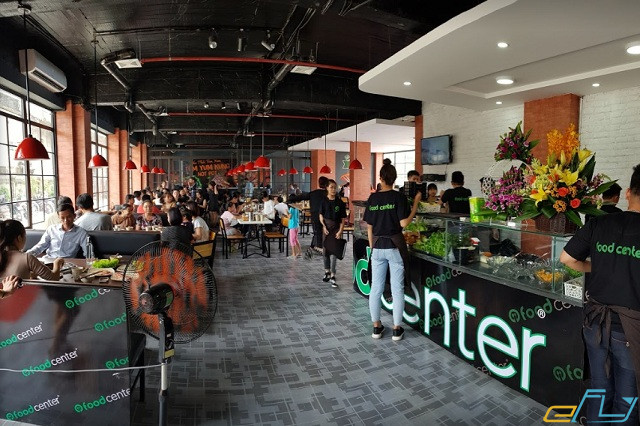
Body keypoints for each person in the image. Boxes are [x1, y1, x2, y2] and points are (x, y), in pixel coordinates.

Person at [560, 165, 640, 425]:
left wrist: (597, 266)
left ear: (627, 193)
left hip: (594, 323)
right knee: (627, 400)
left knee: (599, 389)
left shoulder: (599, 222)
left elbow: (567, 259)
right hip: (630, 330)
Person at [364, 159, 420, 342]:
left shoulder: (373, 198)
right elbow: (403, 223)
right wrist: (415, 205)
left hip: (377, 247)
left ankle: (376, 327)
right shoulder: (399, 197)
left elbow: (369, 227)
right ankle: (397, 329)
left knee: (376, 289)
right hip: (395, 247)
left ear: (380, 178)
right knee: (397, 290)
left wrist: (372, 247)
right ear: (395, 179)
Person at [319, 179, 347, 288]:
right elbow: (321, 215)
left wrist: (340, 231)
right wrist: (323, 226)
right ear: (327, 188)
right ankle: (327, 271)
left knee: (335, 252)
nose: (333, 189)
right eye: (331, 187)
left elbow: (343, 219)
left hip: (336, 229)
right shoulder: (323, 201)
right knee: (326, 250)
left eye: (335, 187)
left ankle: (333, 274)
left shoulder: (340, 202)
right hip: (326, 228)